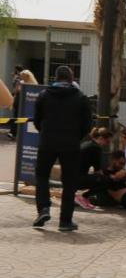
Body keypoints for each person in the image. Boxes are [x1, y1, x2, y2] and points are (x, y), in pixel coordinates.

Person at [31, 66, 92, 231]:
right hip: (71, 145)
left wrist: (45, 132)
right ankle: (65, 221)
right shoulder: (81, 97)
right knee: (69, 182)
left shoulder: (43, 96)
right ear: (71, 79)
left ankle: (43, 208)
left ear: (56, 78)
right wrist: (76, 137)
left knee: (42, 175)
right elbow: (87, 125)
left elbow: (37, 120)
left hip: (47, 142)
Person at [73, 127, 113, 210]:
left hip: (69, 177)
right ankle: (82, 197)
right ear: (101, 138)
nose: (107, 143)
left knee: (100, 178)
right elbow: (97, 170)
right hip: (77, 180)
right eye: (107, 141)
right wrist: (111, 176)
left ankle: (81, 197)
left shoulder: (87, 143)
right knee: (107, 180)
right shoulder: (96, 148)